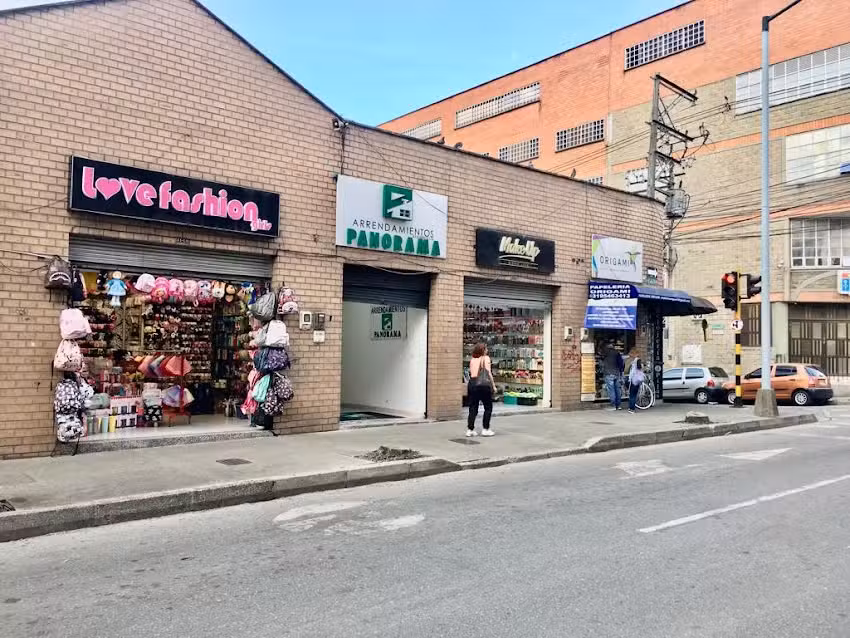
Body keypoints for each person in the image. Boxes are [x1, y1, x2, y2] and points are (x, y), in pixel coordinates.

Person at [467, 342, 496, 437]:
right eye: (486, 349)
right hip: (483, 384)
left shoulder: (472, 360)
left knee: (473, 407)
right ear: (483, 350)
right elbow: (488, 373)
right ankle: (485, 429)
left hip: (472, 383)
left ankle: (470, 429)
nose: (487, 350)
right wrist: (493, 386)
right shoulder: (486, 358)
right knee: (488, 407)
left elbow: (472, 373)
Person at [602, 342, 624, 410]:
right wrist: (621, 372)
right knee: (617, 390)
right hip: (617, 373)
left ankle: (613, 405)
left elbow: (601, 359)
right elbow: (621, 364)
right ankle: (619, 405)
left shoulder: (605, 352)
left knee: (611, 390)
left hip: (608, 373)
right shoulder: (617, 353)